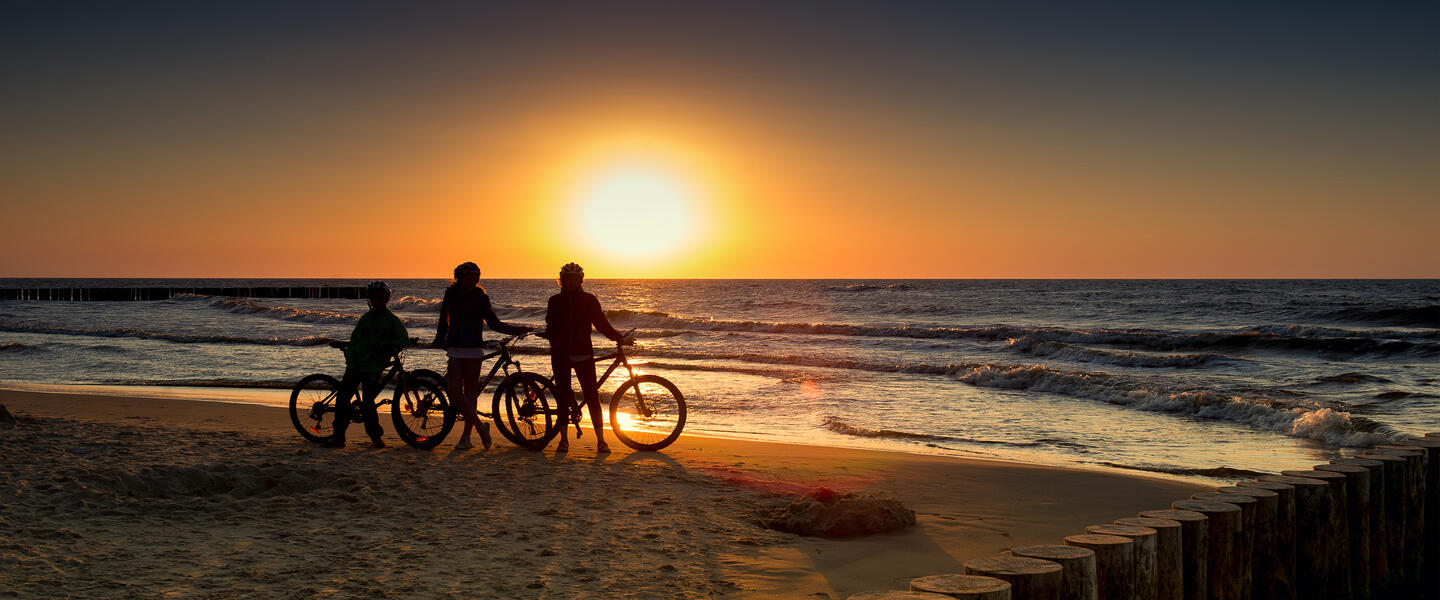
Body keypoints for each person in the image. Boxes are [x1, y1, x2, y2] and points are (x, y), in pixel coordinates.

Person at [434, 261, 531, 450]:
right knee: (454, 390)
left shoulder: (480, 296)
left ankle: (466, 437)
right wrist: (439, 337)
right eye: (467, 278)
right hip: (455, 347)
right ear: (459, 278)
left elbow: (494, 323)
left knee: (470, 394)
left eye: (474, 278)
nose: (471, 281)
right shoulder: (451, 293)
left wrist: (517, 329)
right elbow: (443, 317)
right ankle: (481, 426)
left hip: (473, 349)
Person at [544, 262, 632, 453]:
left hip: (583, 352)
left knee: (592, 396)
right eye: (567, 279)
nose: (571, 282)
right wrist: (553, 338)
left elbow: (601, 323)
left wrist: (618, 337)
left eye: (575, 279)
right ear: (562, 280)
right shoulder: (554, 301)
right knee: (563, 397)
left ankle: (601, 441)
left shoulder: (589, 300)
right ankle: (563, 440)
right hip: (561, 354)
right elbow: (551, 327)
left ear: (580, 280)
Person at [326, 281, 409, 448]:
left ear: (386, 299)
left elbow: (403, 339)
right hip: (356, 363)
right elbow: (356, 340)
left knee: (368, 402)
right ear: (369, 300)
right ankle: (338, 437)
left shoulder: (392, 320)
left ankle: (376, 438)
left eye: (380, 298)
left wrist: (386, 345)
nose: (377, 301)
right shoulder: (365, 319)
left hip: (374, 366)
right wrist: (354, 356)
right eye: (374, 298)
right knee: (343, 399)